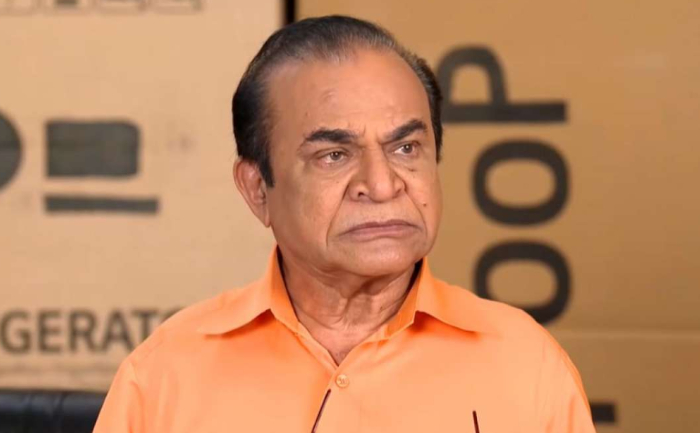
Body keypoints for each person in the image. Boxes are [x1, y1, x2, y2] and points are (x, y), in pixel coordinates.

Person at [93, 15, 596, 433]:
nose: (382, 184)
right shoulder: (165, 376)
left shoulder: (525, 364)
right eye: (334, 154)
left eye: (406, 148)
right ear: (257, 188)